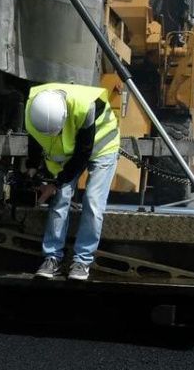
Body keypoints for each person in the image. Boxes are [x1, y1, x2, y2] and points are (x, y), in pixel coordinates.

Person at [24, 83, 121, 281]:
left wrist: (55, 183)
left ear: (64, 118)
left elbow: (82, 155)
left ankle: (82, 261)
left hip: (102, 145)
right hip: (70, 151)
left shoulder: (85, 108)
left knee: (93, 202)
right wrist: (33, 168)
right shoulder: (33, 109)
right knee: (59, 200)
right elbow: (35, 140)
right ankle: (52, 258)